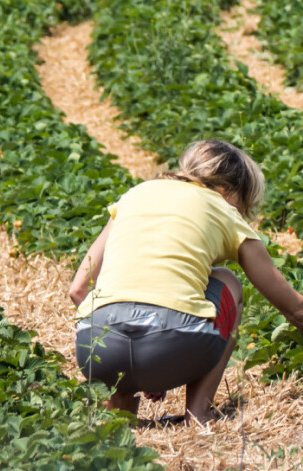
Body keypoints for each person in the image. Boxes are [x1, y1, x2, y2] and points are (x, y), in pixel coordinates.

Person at [69, 139, 303, 424]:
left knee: (117, 298)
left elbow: (78, 289)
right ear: (227, 191)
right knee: (228, 281)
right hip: (171, 345)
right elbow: (295, 309)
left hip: (97, 351)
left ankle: (119, 411)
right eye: (243, 203)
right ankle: (198, 412)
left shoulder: (134, 195)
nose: (241, 212)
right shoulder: (222, 207)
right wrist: (159, 356)